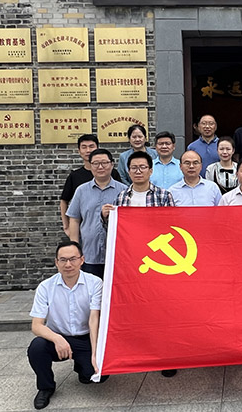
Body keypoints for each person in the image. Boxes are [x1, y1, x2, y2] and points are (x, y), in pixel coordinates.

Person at [101, 150, 177, 378]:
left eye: (143, 167)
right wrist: (106, 217)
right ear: (128, 171)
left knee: (163, 311)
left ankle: (167, 356)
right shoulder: (121, 198)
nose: (138, 171)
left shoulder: (163, 196)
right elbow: (114, 232)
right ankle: (142, 353)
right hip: (132, 263)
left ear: (151, 171)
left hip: (160, 263)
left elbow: (173, 226)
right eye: (134, 168)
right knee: (139, 309)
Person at [27, 241, 107, 410]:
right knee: (37, 347)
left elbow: (94, 319)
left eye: (73, 259)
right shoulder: (45, 287)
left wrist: (95, 353)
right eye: (63, 260)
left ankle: (82, 365)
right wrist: (57, 339)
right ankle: (46, 387)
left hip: (86, 338)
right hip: (59, 338)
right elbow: (36, 325)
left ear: (82, 260)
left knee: (98, 376)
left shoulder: (95, 283)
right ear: (56, 262)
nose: (68, 264)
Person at [66, 149, 127, 279]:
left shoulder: (124, 191)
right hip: (89, 253)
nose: (100, 167)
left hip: (116, 253)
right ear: (90, 165)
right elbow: (74, 219)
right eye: (95, 163)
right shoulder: (81, 190)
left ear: (112, 164)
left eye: (104, 163)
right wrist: (74, 247)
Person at [60, 134, 122, 237]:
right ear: (79, 151)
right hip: (86, 233)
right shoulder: (75, 177)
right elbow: (64, 201)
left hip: (113, 234)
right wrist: (66, 226)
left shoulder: (113, 173)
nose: (88, 150)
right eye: (84, 147)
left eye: (91, 146)